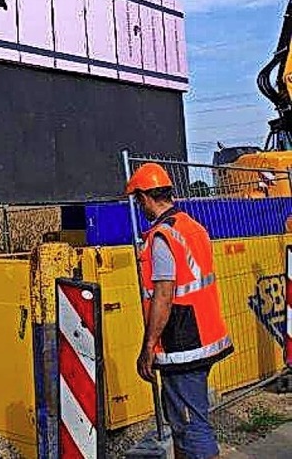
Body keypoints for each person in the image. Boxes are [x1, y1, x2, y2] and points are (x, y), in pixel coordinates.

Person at [126, 163, 233, 459]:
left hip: (182, 343)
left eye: (139, 200)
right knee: (186, 421)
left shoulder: (163, 236)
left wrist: (148, 346)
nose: (140, 207)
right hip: (204, 335)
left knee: (189, 425)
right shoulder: (192, 227)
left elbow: (163, 295)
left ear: (145, 197)